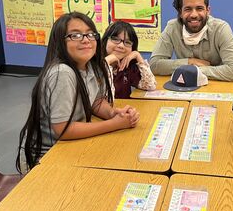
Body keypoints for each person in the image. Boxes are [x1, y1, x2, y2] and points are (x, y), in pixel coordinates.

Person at [16, 12, 140, 172]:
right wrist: (114, 124)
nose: (86, 39)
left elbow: (95, 102)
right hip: (44, 158)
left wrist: (113, 113)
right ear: (60, 41)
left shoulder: (92, 65)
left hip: (69, 147)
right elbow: (63, 129)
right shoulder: (62, 73)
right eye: (75, 35)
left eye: (90, 34)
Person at [149, 0, 233, 81]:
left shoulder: (220, 29)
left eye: (199, 8)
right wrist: (189, 62)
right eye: (188, 9)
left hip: (215, 85)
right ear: (180, 12)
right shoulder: (172, 28)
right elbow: (154, 65)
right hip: (185, 87)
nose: (194, 15)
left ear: (208, 11)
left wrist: (193, 70)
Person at [102, 21, 156, 98]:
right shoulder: (92, 64)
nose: (121, 45)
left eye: (127, 42)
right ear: (105, 40)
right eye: (115, 39)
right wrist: (106, 63)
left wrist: (138, 56)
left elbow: (150, 86)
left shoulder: (128, 66)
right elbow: (105, 97)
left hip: (124, 108)